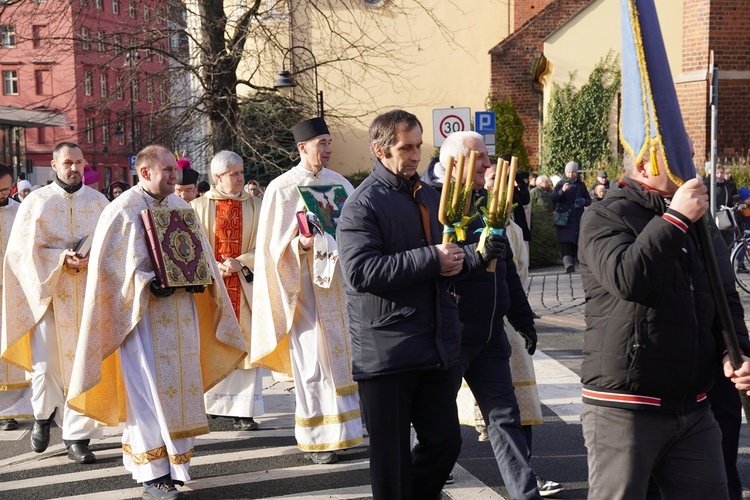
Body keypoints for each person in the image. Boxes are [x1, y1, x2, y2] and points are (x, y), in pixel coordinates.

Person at [337, 110, 505, 499]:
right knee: (391, 463)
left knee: (445, 443)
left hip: (434, 344)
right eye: (405, 148)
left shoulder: (431, 195)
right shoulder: (362, 204)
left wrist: (476, 256)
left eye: (418, 146)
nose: (415, 156)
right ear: (380, 150)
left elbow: (448, 261)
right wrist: (433, 258)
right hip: (386, 351)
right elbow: (360, 272)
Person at [66, 145, 246, 499]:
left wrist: (199, 276)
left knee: (180, 390)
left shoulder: (181, 207)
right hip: (140, 318)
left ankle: (175, 469)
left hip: (181, 314)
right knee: (147, 392)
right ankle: (152, 476)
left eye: (173, 170)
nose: (173, 176)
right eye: (165, 170)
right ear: (145, 172)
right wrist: (148, 281)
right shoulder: (121, 211)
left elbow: (200, 256)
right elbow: (109, 275)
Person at [578, 149, 750, 499]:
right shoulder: (604, 214)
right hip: (627, 403)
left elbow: (724, 297)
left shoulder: (697, 221)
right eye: (677, 157)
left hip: (694, 406)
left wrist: (737, 352)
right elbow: (629, 279)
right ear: (644, 165)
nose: (691, 166)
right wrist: (675, 218)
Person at [420, 131, 543, 499]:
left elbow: (503, 270)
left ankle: (526, 495)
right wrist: (476, 255)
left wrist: (523, 319)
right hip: (450, 334)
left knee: (506, 419)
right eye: (481, 158)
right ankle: (420, 487)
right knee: (437, 429)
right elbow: (436, 266)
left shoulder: (487, 204)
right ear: (457, 162)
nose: (488, 165)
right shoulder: (429, 203)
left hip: (489, 334)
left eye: (488, 158)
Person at [251, 117, 363, 465]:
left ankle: (345, 433)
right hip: (305, 292)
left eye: (330, 142)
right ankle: (317, 438)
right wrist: (298, 243)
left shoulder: (340, 183)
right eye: (321, 143)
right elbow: (271, 249)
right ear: (302, 148)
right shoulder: (282, 189)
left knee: (343, 359)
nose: (328, 149)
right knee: (313, 363)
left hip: (340, 289)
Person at [1, 142, 109, 463]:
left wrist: (92, 259)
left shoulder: (99, 202)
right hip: (48, 298)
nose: (74, 168)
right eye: (67, 162)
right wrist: (61, 258)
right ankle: (43, 416)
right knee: (46, 367)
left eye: (78, 162)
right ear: (54, 165)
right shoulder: (36, 202)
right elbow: (20, 255)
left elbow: (112, 246)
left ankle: (78, 437)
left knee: (84, 366)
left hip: (87, 300)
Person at [192, 150, 263, 430]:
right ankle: (212, 405)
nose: (241, 178)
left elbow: (266, 247)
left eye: (242, 172)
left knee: (245, 343)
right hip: (213, 288)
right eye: (234, 174)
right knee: (212, 340)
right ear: (218, 176)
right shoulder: (198, 207)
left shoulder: (256, 205)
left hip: (245, 286)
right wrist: (214, 266)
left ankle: (243, 411)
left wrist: (242, 263)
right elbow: (191, 248)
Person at [0, 164, 32, 431]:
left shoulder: (19, 211)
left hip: (13, 292)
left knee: (11, 348)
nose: (3, 194)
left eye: (6, 189)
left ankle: (11, 409)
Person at [550, 161, 590, 273]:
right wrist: (562, 191)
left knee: (574, 241)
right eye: (569, 171)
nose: (571, 174)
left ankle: (572, 262)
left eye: (573, 172)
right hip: (564, 218)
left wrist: (583, 201)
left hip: (577, 217)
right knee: (565, 241)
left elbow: (588, 200)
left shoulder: (581, 185)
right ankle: (568, 264)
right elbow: (553, 198)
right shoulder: (560, 184)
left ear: (576, 173)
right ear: (565, 172)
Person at [705, 163, 737, 246]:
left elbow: (730, 199)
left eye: (721, 173)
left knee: (727, 243)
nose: (720, 175)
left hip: (725, 218)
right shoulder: (708, 185)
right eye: (717, 173)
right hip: (712, 217)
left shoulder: (726, 186)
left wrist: (735, 204)